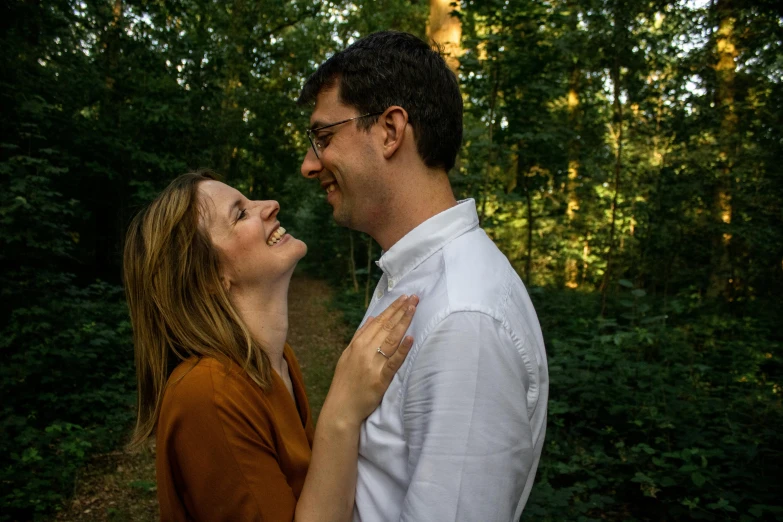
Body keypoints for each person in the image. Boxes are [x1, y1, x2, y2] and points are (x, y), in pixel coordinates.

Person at [298, 31, 549, 521]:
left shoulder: (464, 320)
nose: (310, 164)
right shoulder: (412, 276)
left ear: (390, 131)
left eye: (324, 137)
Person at [123, 170, 419, 522]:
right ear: (211, 279)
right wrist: (342, 411)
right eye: (241, 214)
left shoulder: (277, 361)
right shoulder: (207, 393)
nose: (271, 205)